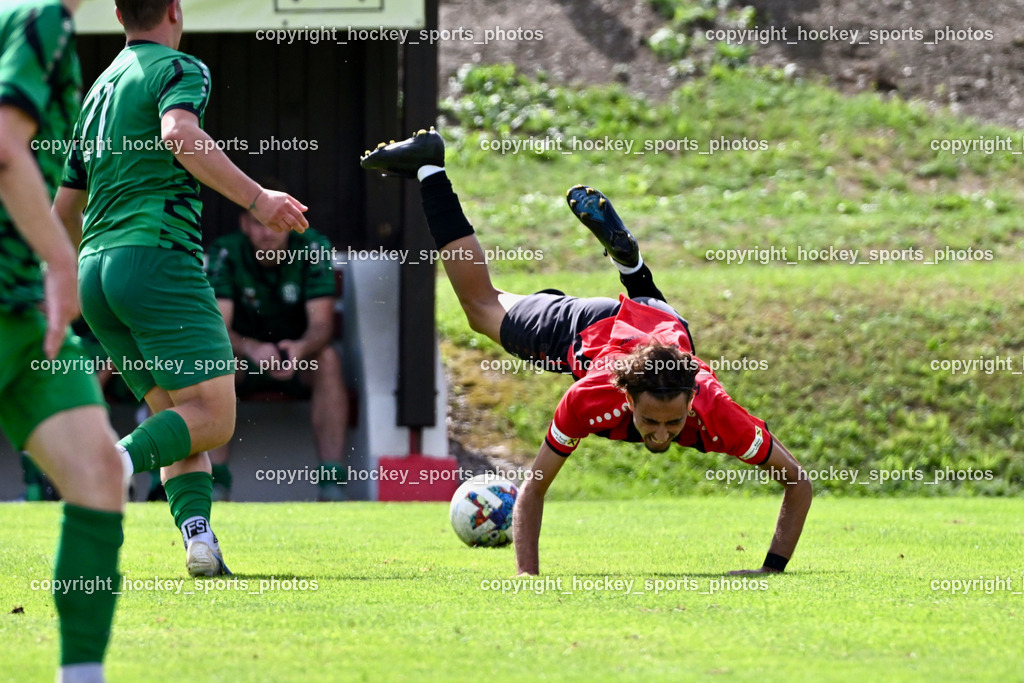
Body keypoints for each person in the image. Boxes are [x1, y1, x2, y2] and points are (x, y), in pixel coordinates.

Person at [361, 129, 813, 576]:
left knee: (653, 322)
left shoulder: (716, 410)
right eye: (650, 421)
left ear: (693, 400)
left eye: (673, 422)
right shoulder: (590, 397)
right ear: (627, 399)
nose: (659, 435)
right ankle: (430, 170)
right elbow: (533, 491)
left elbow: (799, 483)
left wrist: (770, 571)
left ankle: (632, 270)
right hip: (583, 330)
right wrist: (526, 579)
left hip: (661, 321)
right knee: (481, 308)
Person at [53, 0, 309, 576]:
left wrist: (66, 282)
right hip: (157, 262)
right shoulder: (178, 68)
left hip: (97, 271)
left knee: (177, 418)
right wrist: (258, 199)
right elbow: (180, 134)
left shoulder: (97, 93)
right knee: (214, 417)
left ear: (119, 13)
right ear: (174, 9)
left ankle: (199, 540)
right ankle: (109, 466)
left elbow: (65, 207)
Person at [0, 0, 126, 679]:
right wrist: (60, 259)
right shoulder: (40, 17)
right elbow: (3, 148)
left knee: (100, 473)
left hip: (21, 310)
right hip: (15, 292)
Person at [206, 193, 349, 501]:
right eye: (258, 223)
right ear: (244, 224)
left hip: (298, 359)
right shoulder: (226, 251)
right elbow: (218, 328)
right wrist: (253, 348)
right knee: (218, 360)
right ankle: (216, 484)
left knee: (328, 359)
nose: (267, 232)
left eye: (275, 223)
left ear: (292, 223)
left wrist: (299, 349)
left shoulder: (313, 247)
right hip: (243, 359)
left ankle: (331, 483)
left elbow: (322, 325)